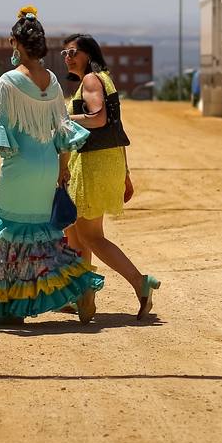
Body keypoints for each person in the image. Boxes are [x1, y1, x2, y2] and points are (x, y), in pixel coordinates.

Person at [0, 7, 104, 325]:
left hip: (19, 169)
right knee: (40, 237)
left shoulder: (8, 82)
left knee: (7, 235)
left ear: (15, 42)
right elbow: (63, 130)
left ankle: (7, 306)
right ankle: (77, 287)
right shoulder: (52, 81)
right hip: (47, 167)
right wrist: (62, 168)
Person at [62, 34, 160, 320]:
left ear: (87, 54)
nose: (67, 57)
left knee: (90, 235)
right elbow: (116, 128)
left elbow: (99, 119)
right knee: (76, 233)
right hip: (106, 161)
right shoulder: (103, 79)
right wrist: (125, 173)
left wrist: (62, 119)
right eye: (64, 53)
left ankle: (140, 282)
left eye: (72, 52)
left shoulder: (92, 80)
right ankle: (81, 295)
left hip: (93, 164)